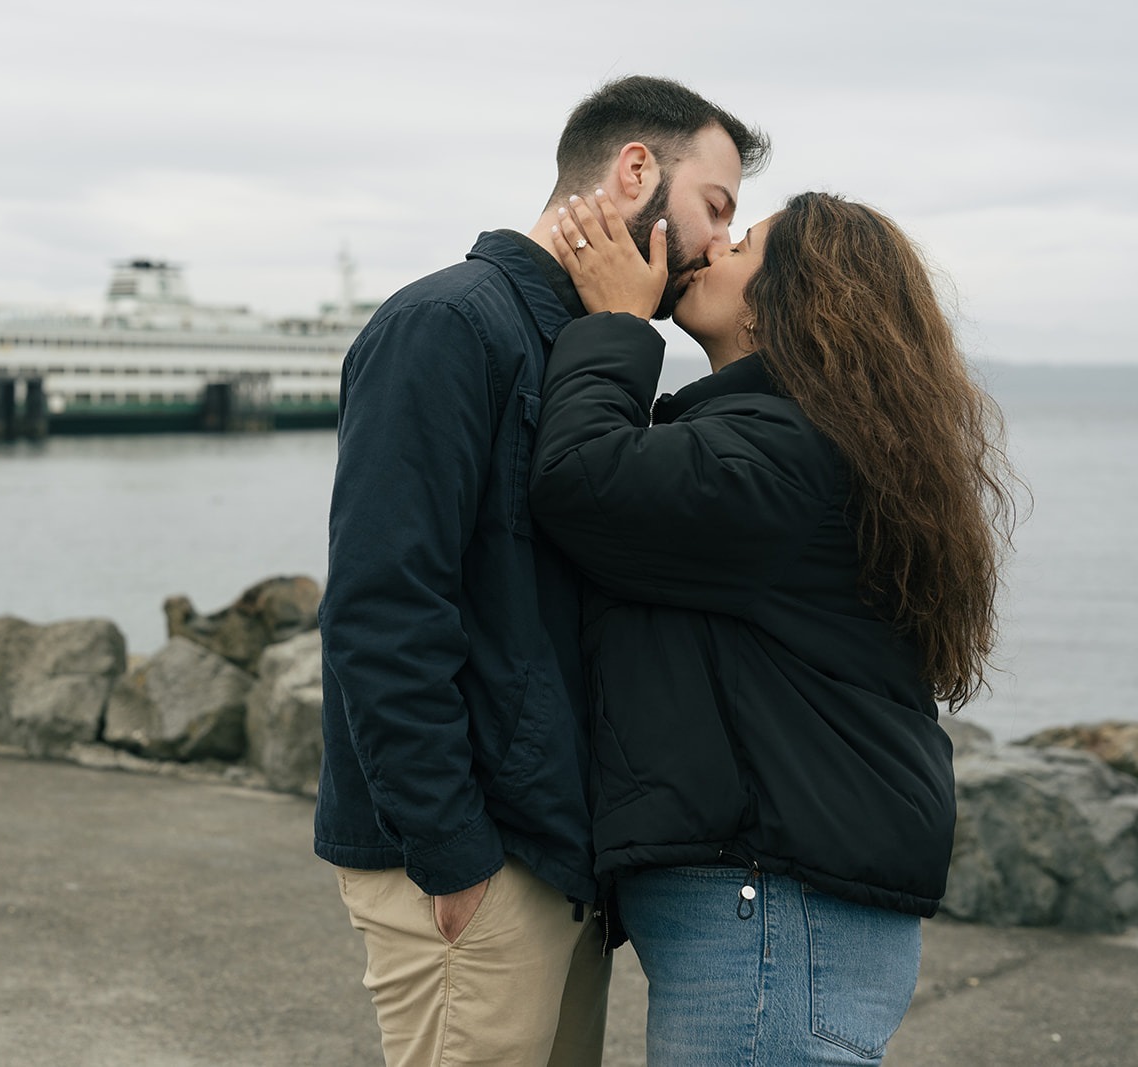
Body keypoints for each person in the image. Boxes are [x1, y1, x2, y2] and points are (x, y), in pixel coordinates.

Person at [315, 75, 769, 1067]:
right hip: (476, 860)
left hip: (559, 858)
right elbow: (381, 607)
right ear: (635, 169)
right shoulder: (448, 322)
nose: (720, 243)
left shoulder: (584, 351)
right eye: (716, 205)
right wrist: (454, 855)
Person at [529, 190, 1017, 1064]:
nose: (711, 247)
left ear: (797, 293)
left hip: (774, 905)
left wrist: (618, 321)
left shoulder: (781, 451)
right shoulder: (807, 439)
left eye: (743, 240)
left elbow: (582, 478)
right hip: (786, 902)